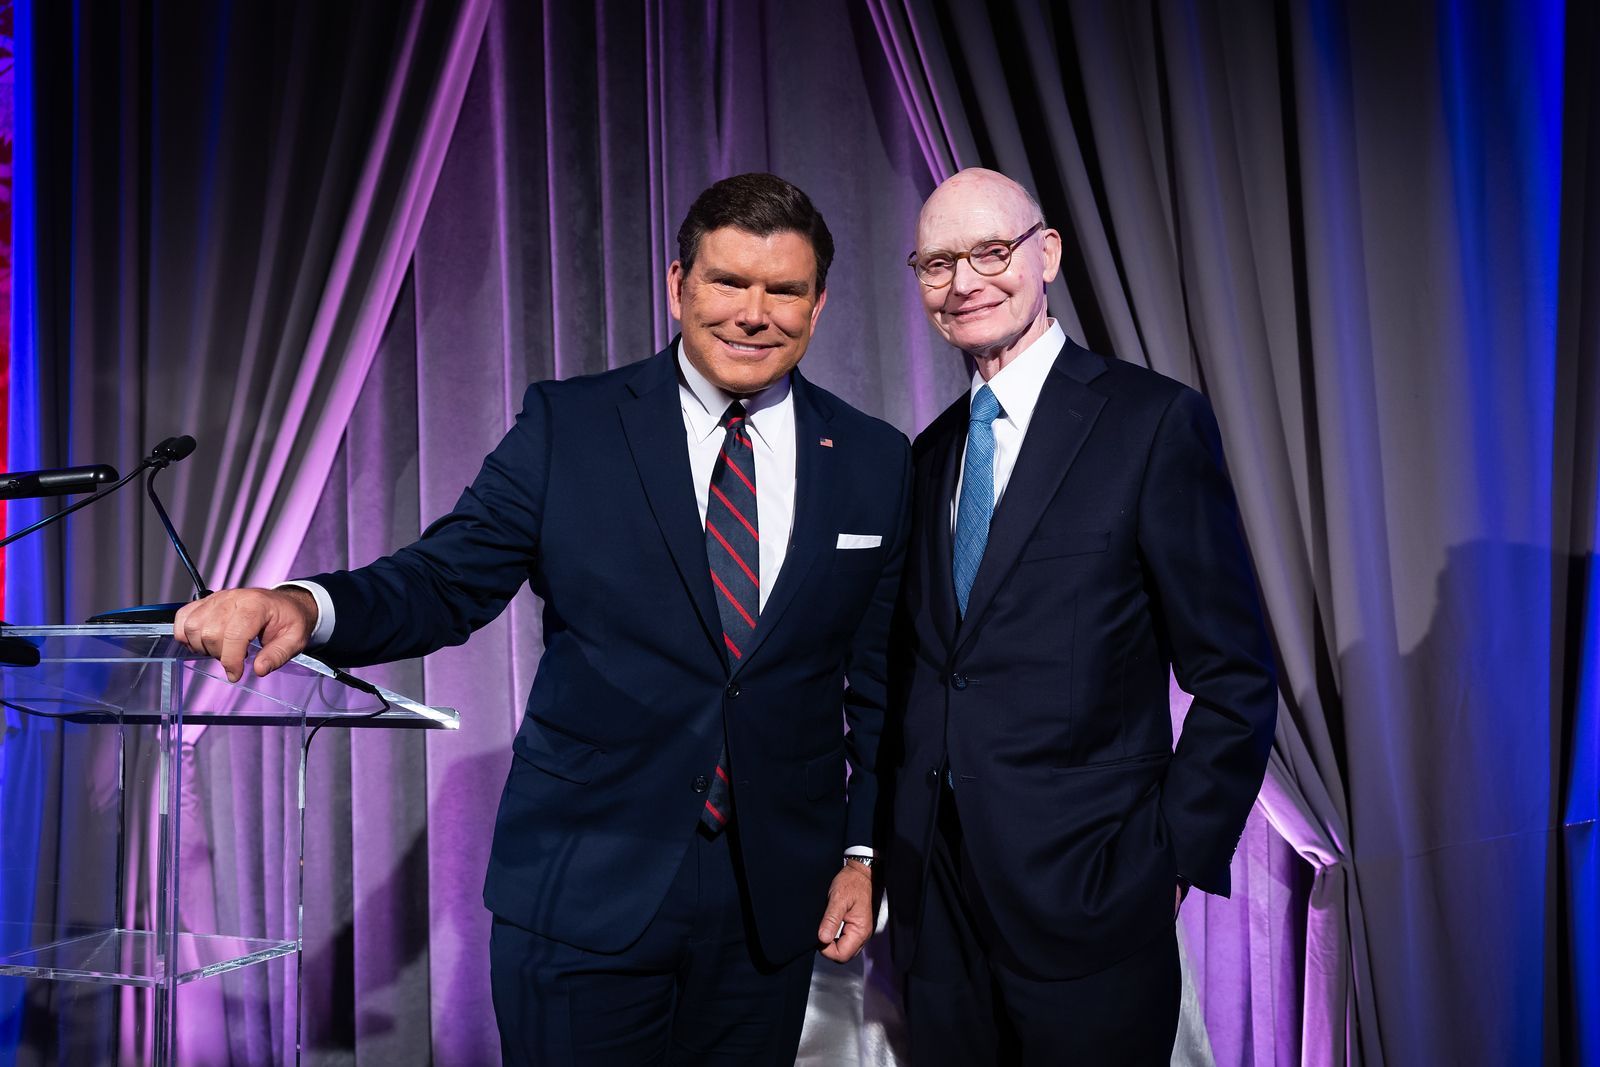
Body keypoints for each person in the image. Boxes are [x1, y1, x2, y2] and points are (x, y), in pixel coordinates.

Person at [174, 173, 911, 1065]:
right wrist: (301, 603)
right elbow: (444, 578)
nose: (753, 313)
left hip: (767, 912)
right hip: (582, 891)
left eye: (783, 290)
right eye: (727, 282)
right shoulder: (572, 425)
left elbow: (879, 684)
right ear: (677, 284)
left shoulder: (873, 458)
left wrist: (863, 853)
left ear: (819, 303)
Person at [885, 168, 1278, 1065]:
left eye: (991, 251)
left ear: (1047, 254)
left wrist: (1168, 856)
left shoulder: (1151, 422)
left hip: (1095, 906)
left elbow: (1236, 676)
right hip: (940, 919)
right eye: (939, 262)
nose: (966, 281)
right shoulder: (929, 454)